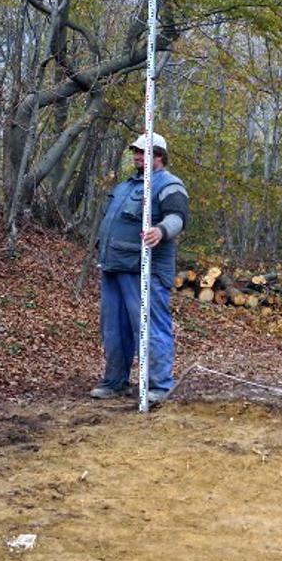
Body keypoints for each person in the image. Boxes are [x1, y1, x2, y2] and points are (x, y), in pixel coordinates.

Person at [90, 132, 188, 403]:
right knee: (113, 329)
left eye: (142, 151)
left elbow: (177, 217)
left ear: (158, 156)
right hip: (114, 266)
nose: (136, 154)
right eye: (135, 150)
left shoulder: (168, 184)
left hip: (146, 270)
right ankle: (115, 381)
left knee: (150, 327)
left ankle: (159, 385)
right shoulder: (126, 186)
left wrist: (161, 231)